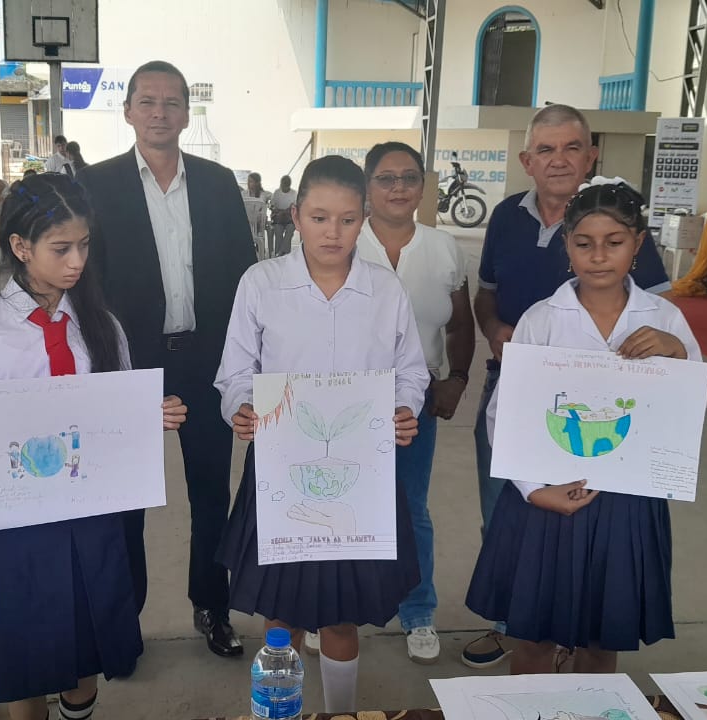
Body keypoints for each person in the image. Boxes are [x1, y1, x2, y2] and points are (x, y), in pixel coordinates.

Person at [0, 173, 188, 720]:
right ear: (20, 246)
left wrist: (148, 414)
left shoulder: (101, 324)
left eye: (84, 245)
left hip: (94, 515)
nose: (77, 261)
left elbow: (116, 411)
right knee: (26, 649)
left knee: (86, 642)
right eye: (61, 248)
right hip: (21, 522)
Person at [214, 155, 429, 713]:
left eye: (348, 219)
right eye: (318, 218)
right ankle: (278, 709)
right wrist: (241, 407)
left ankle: (340, 711)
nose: (333, 232)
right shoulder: (262, 284)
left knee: (341, 615)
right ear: (295, 216)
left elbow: (411, 370)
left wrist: (404, 407)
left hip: (360, 474)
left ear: (365, 219)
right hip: (282, 471)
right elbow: (236, 371)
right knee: (280, 614)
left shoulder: (384, 290)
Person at [462, 104, 672, 670]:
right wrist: (533, 488)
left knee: (603, 629)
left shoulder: (659, 315)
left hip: (624, 490)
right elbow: (504, 409)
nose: (599, 255)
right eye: (584, 244)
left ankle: (584, 675)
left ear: (637, 243)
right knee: (529, 599)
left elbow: (678, 399)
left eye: (571, 147)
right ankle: (520, 643)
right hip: (540, 467)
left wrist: (676, 352)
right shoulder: (538, 309)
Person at [75, 59, 256, 659]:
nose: (159, 112)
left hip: (205, 360)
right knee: (127, 497)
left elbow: (244, 273)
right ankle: (125, 617)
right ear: (128, 111)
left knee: (211, 492)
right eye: (147, 101)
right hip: (129, 364)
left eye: (171, 102)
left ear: (185, 113)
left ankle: (212, 606)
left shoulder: (217, 182)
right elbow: (84, 279)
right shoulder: (95, 185)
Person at [353, 141, 474, 664]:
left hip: (415, 398)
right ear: (367, 187)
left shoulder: (444, 247)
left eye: (409, 177)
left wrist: (457, 378)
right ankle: (335, 608)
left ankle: (418, 610)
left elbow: (461, 324)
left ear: (424, 187)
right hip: (347, 396)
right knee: (344, 502)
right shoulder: (344, 239)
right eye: (386, 178)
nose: (398, 188)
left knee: (410, 507)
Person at [268, 175, 296, 256]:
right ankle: (280, 253)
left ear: (289, 185)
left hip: (289, 218)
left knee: (290, 230)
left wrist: (287, 211)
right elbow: (271, 206)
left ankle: (282, 253)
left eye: (286, 185)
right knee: (278, 232)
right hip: (278, 218)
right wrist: (277, 211)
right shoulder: (277, 192)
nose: (284, 187)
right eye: (283, 184)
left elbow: (295, 206)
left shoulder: (294, 193)